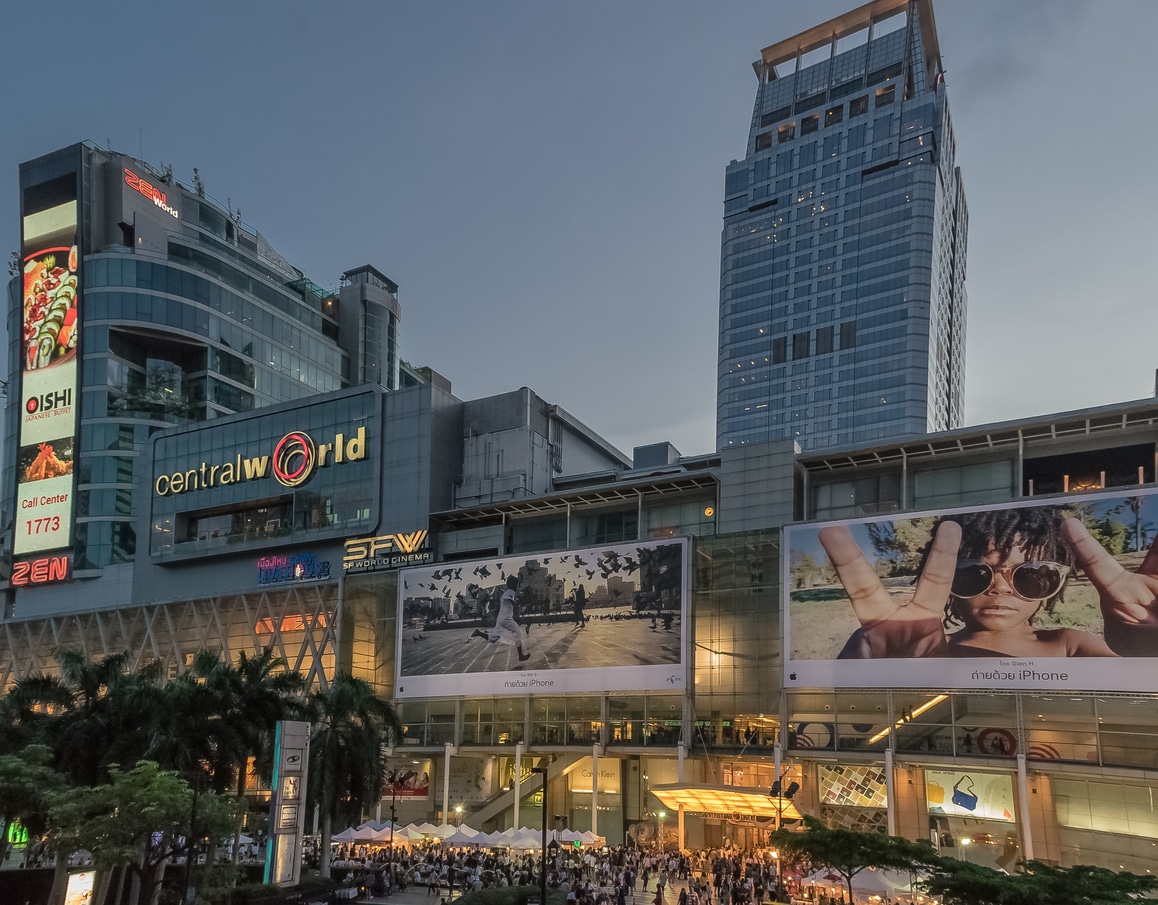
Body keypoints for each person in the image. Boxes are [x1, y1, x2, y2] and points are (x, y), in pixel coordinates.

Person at [819, 505, 1158, 659]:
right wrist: (865, 672)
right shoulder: (917, 651)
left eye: (1031, 575)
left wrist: (1145, 647)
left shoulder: (1069, 645)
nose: (1001, 588)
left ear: (1055, 584)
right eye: (974, 572)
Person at [470, 575, 531, 661]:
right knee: (517, 633)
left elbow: (507, 599)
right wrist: (515, 602)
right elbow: (508, 598)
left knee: (494, 638)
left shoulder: (507, 592)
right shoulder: (511, 592)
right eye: (517, 585)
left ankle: (479, 633)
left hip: (501, 619)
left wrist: (514, 602)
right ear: (514, 585)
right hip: (506, 619)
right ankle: (521, 656)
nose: (517, 587)